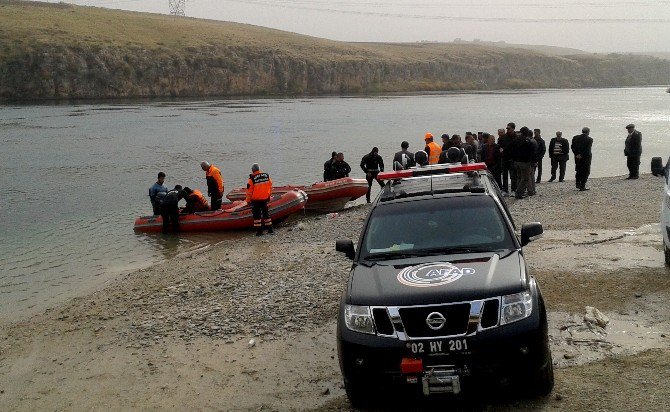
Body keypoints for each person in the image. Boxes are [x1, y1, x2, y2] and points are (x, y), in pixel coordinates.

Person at [245, 163, 274, 236]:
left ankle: (259, 232)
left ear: (252, 170)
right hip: (265, 199)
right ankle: (270, 230)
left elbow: (249, 191)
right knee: (266, 215)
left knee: (257, 217)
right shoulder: (266, 176)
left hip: (256, 201)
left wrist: (248, 201)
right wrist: (269, 196)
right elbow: (270, 187)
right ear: (259, 169)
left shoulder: (252, 179)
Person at [510, 126, 535, 199]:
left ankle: (520, 191)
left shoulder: (516, 140)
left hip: (516, 162)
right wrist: (532, 162)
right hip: (525, 162)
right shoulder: (528, 141)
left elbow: (511, 150)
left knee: (519, 177)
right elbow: (531, 153)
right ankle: (518, 193)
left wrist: (514, 159)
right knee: (525, 178)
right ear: (527, 133)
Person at [572, 127, 593, 191]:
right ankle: (582, 185)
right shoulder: (589, 139)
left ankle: (577, 183)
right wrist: (581, 155)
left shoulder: (575, 137)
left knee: (578, 170)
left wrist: (577, 154)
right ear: (588, 132)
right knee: (586, 171)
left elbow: (572, 147)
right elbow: (587, 149)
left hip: (577, 157)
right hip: (586, 157)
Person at [499, 122, 517, 195]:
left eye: (509, 128)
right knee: (505, 176)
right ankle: (505, 190)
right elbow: (500, 147)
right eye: (507, 128)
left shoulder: (516, 137)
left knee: (513, 176)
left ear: (513, 128)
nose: (507, 130)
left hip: (512, 159)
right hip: (504, 159)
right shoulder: (503, 137)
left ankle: (513, 189)